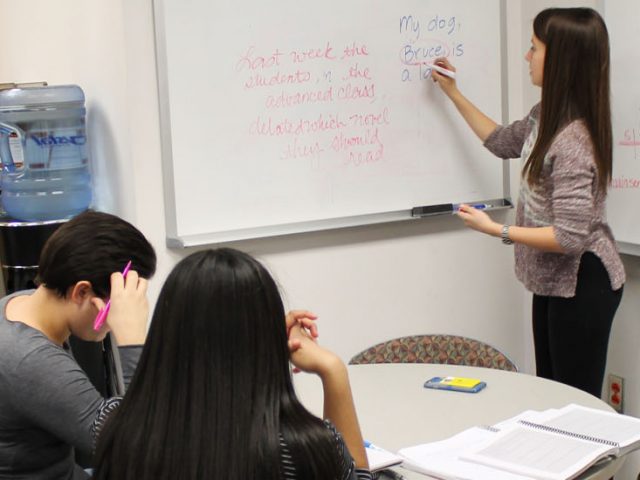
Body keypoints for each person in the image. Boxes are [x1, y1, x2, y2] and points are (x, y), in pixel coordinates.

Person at [431, 7, 625, 397]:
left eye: (533, 47)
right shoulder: (545, 116)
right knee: (551, 396)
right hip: (553, 281)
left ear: (560, 60)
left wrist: (497, 229)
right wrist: (453, 94)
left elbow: (570, 237)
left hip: (583, 281)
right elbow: (503, 140)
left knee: (576, 407)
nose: (526, 56)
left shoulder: (574, 140)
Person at [93, 248, 372, 480]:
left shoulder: (116, 427)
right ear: (266, 342)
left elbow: (147, 404)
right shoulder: (306, 447)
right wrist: (332, 370)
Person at [0, 211, 157, 479]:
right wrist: (132, 340)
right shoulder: (32, 361)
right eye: (115, 304)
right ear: (82, 292)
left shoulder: (21, 303)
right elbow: (130, 447)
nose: (115, 317)